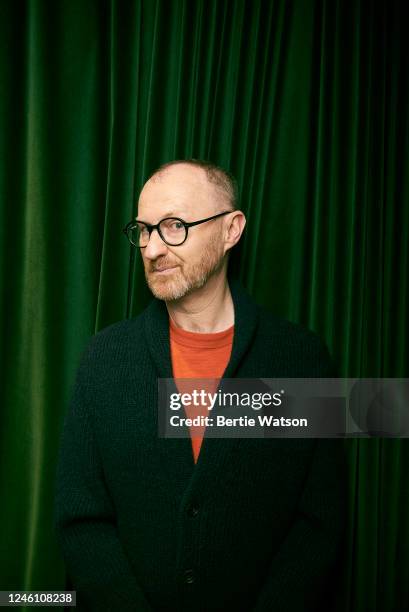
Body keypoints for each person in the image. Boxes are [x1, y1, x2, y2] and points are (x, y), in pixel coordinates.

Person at [53, 159, 346, 611]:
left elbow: (318, 524)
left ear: (231, 230)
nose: (151, 249)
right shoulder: (105, 360)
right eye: (144, 230)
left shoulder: (301, 359)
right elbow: (81, 521)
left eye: (174, 225)